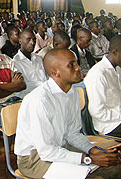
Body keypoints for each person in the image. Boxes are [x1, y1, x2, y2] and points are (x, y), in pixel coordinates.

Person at [14, 48, 121, 179]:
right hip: (35, 160)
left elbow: (72, 133)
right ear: (55, 72)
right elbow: (46, 151)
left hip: (60, 147)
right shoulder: (40, 100)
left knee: (114, 166)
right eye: (71, 65)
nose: (78, 68)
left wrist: (93, 150)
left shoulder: (73, 92)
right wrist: (88, 158)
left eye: (76, 63)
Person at [84, 35, 121, 138]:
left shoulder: (117, 69)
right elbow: (97, 112)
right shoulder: (98, 74)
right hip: (109, 124)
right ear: (115, 52)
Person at [13, 29, 48, 99]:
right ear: (20, 41)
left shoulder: (38, 59)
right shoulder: (15, 62)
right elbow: (24, 86)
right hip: (29, 98)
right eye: (28, 40)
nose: (32, 43)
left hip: (45, 94)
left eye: (34, 40)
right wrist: (44, 86)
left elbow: (46, 78)